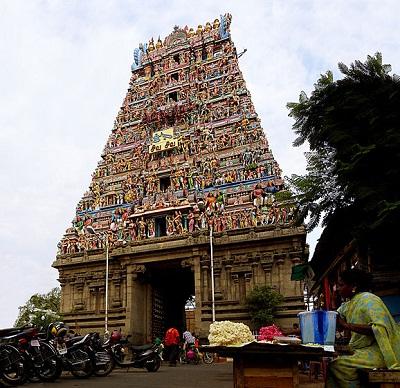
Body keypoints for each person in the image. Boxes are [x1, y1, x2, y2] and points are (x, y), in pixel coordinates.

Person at [326, 269, 400, 387]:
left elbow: (381, 329)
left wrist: (346, 325)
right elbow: (330, 319)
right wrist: (290, 332)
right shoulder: (349, 304)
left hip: (382, 352)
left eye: (341, 285)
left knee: (339, 365)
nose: (337, 289)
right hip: (362, 349)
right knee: (334, 364)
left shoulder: (370, 300)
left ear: (354, 286)